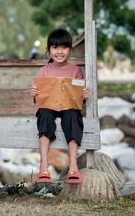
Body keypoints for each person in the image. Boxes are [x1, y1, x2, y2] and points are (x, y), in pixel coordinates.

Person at [30, 28, 88, 184]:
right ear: (48, 50)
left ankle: (73, 167)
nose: (59, 51)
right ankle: (44, 167)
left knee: (73, 117)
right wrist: (35, 93)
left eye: (64, 47)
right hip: (48, 107)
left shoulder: (76, 71)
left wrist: (83, 96)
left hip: (69, 107)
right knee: (45, 117)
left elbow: (79, 98)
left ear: (70, 50)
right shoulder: (44, 71)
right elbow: (39, 100)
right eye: (55, 47)